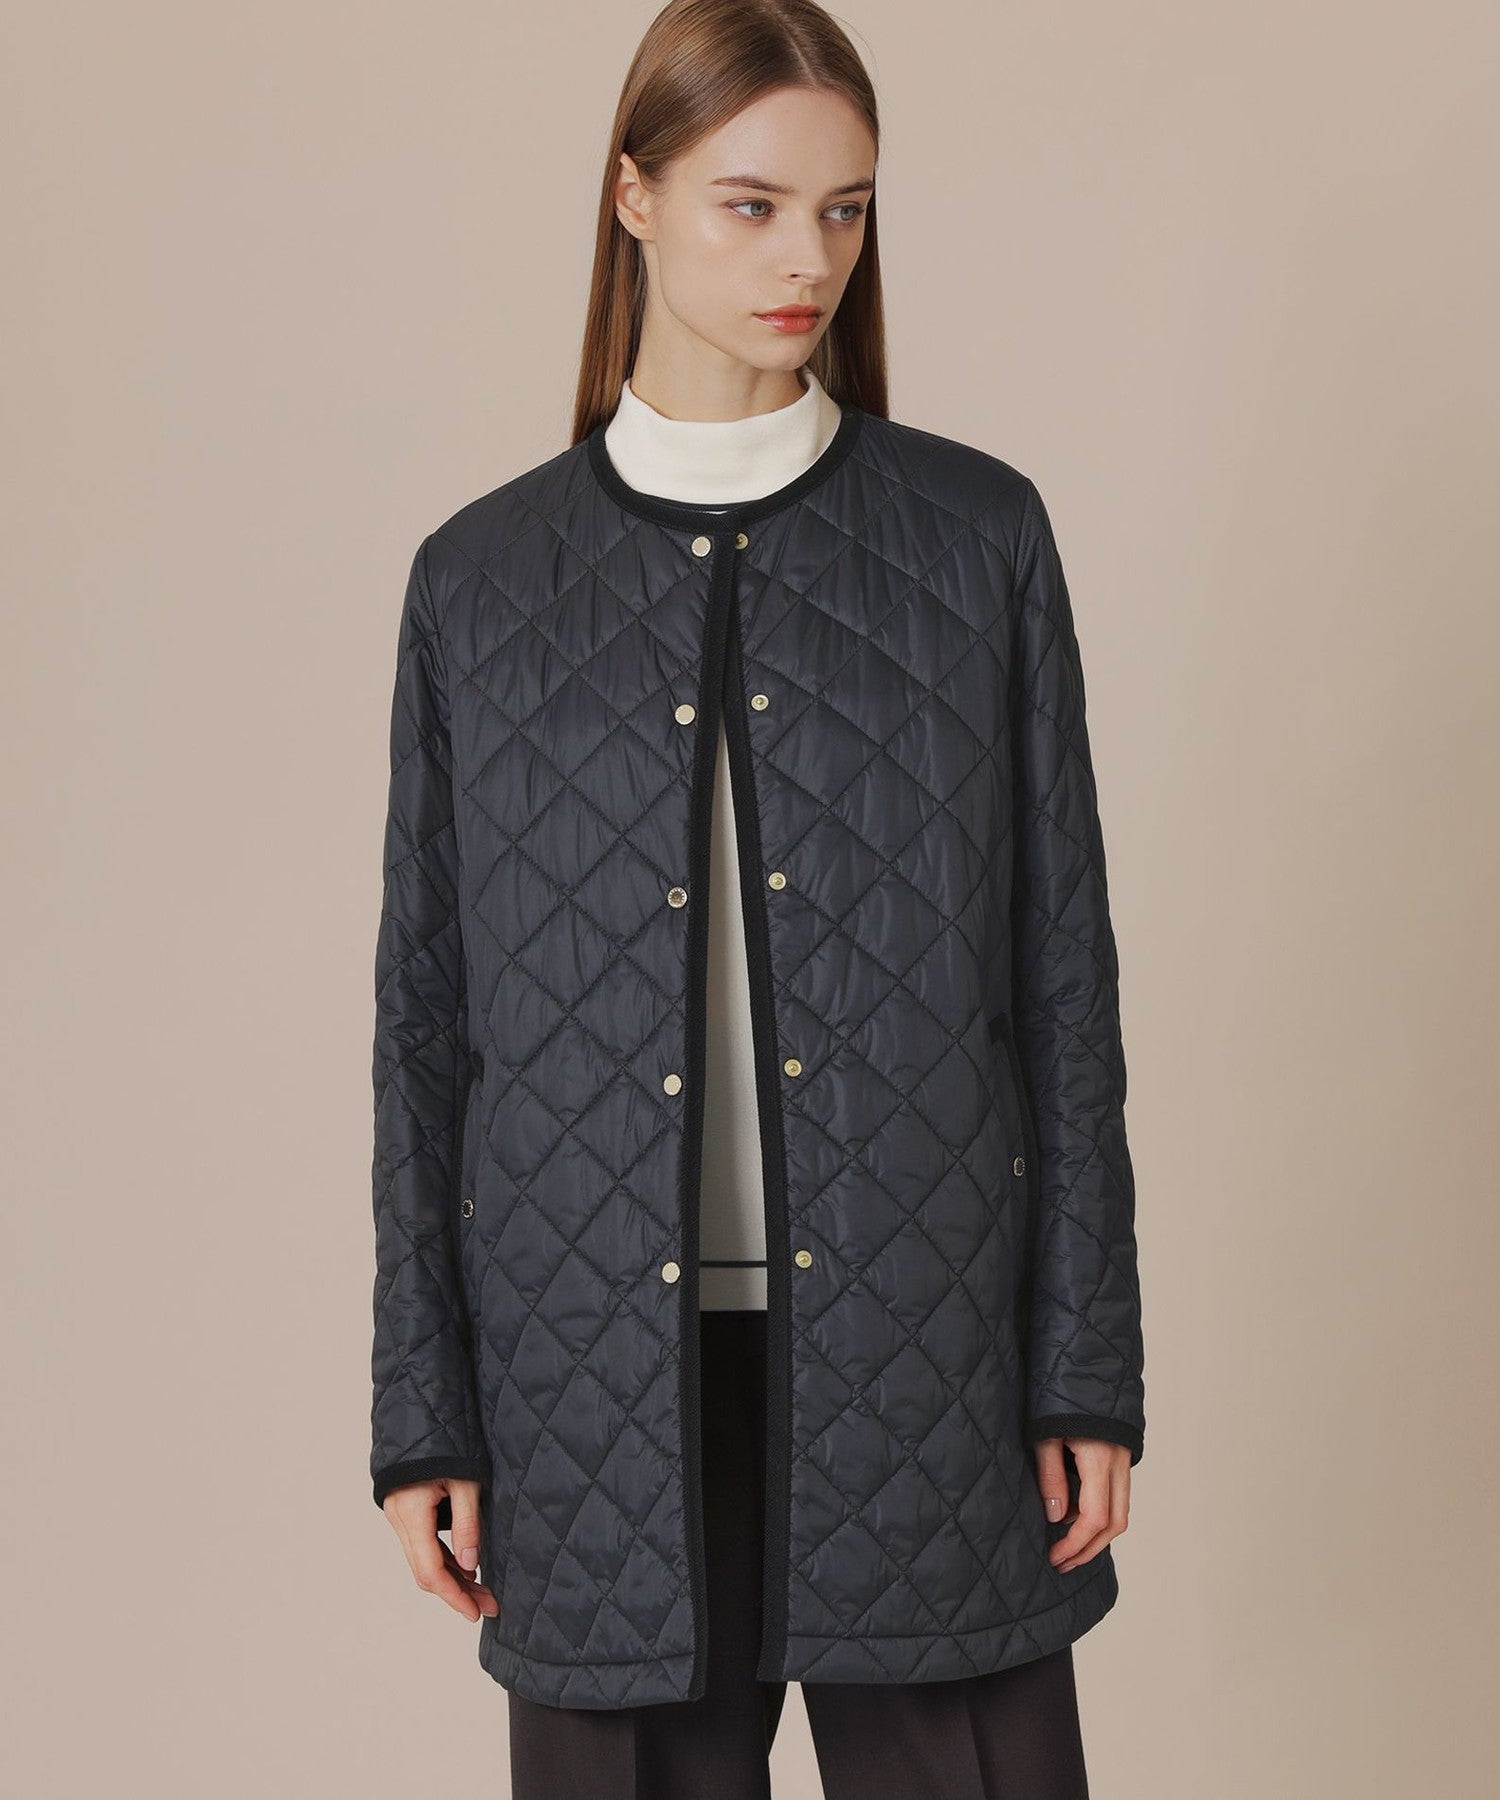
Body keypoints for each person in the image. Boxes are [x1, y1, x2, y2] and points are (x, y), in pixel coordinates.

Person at [368, 3, 1146, 1795]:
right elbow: (426, 1026)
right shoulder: (481, 583)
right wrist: (427, 1407)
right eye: (755, 205)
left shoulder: (976, 542)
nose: (810, 258)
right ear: (632, 197)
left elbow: (1064, 988)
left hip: (924, 1362)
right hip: (589, 1393)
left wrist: (1082, 1371)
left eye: (846, 210)